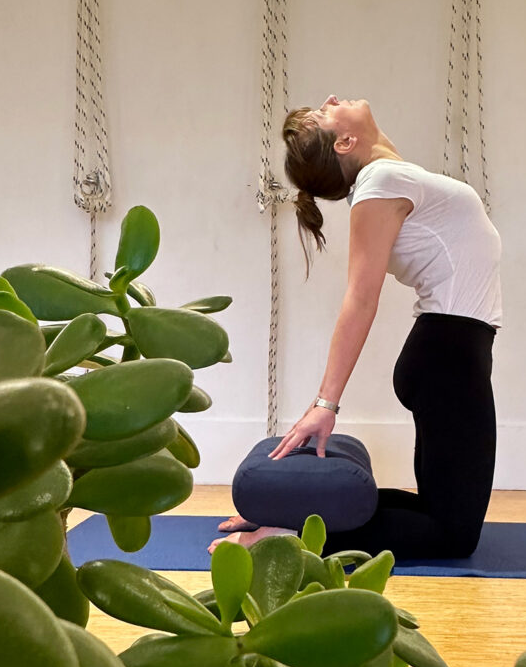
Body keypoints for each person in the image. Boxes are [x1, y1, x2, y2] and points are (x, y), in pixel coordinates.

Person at [211, 95, 501, 558]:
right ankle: (289, 540)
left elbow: (382, 155)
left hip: (447, 356)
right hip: (449, 359)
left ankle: (291, 515)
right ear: (345, 141)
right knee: (454, 535)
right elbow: (360, 298)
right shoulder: (381, 182)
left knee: (439, 512)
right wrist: (326, 403)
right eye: (324, 114)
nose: (329, 101)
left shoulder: (388, 176)